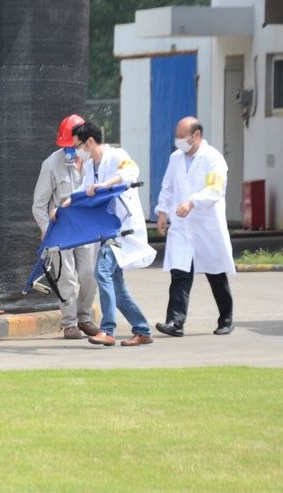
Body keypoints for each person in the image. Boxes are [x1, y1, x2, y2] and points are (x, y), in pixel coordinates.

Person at [71, 121, 156, 347]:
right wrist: (65, 203)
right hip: (106, 230)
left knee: (102, 273)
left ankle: (107, 330)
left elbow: (130, 171)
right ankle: (142, 329)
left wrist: (106, 184)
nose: (77, 151)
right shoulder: (90, 166)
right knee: (116, 285)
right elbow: (83, 190)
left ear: (90, 141)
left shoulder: (117, 155)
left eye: (78, 146)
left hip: (122, 229)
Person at [154, 117, 235, 336]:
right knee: (179, 273)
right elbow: (168, 187)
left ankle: (226, 319)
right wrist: (162, 211)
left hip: (206, 226)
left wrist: (192, 202)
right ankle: (175, 322)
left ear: (196, 135)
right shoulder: (176, 158)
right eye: (177, 137)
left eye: (182, 137)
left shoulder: (213, 158)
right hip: (182, 226)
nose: (178, 141)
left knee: (216, 274)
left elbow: (215, 189)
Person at [32, 113, 100, 340]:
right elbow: (39, 205)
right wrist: (46, 229)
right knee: (67, 276)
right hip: (61, 230)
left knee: (90, 274)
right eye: (67, 146)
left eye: (74, 145)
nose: (71, 150)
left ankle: (85, 317)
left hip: (87, 229)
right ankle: (70, 323)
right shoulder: (52, 164)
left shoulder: (94, 162)